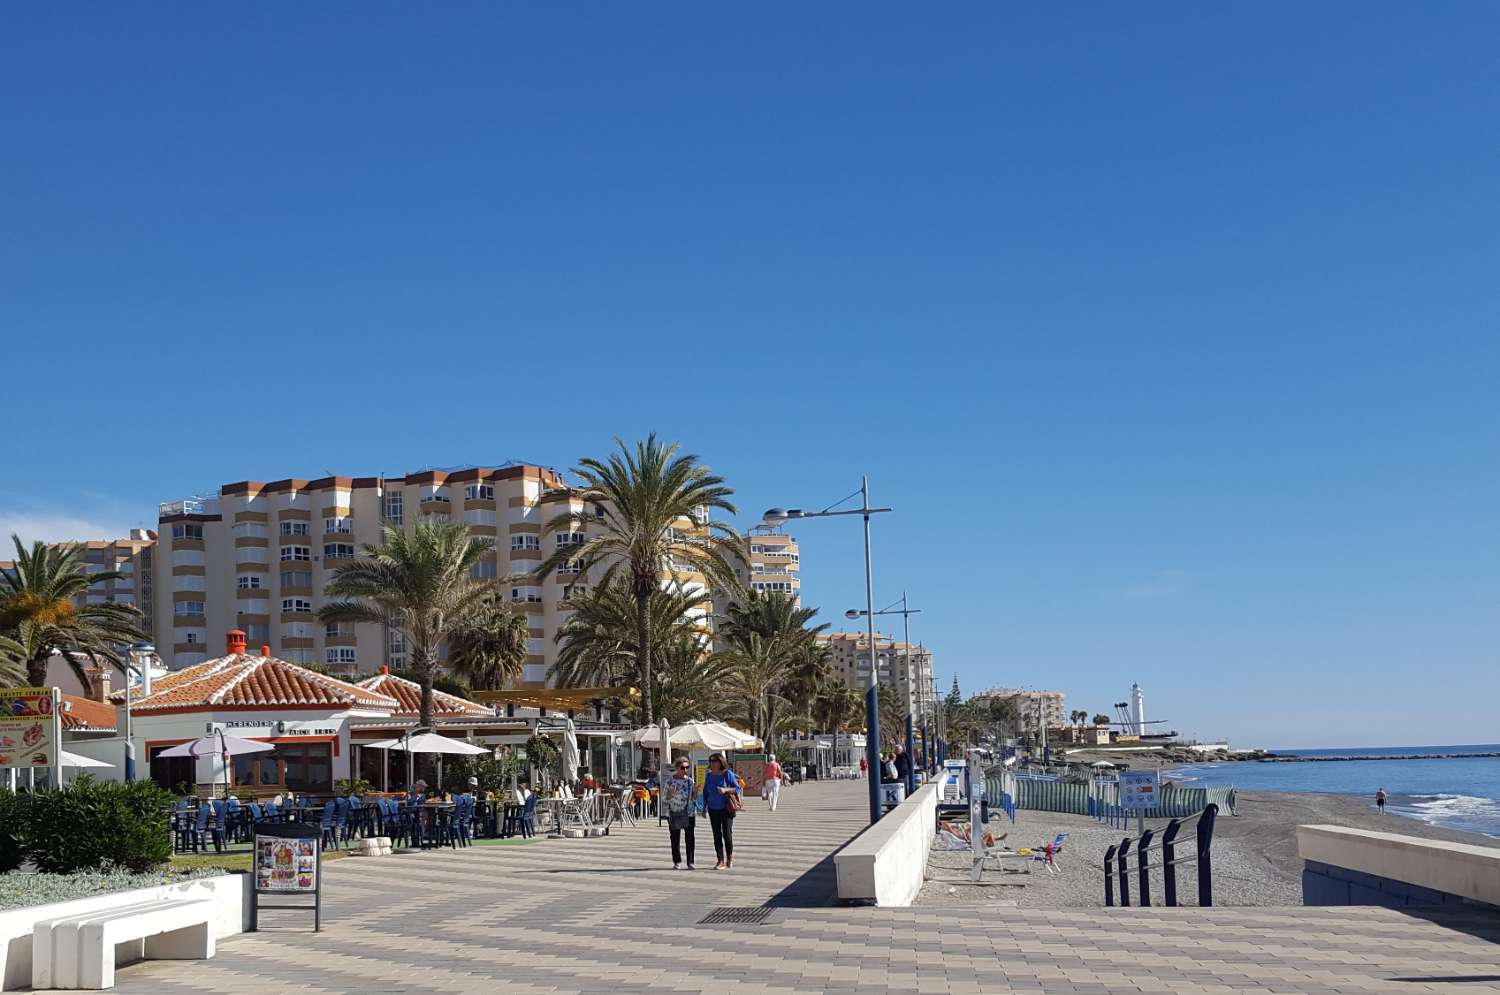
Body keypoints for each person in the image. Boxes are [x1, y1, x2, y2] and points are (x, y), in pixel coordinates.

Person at [703, 752, 742, 869]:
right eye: (710, 761)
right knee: (716, 834)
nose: (712, 763)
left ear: (721, 762)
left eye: (714, 761)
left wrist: (726, 790)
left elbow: (737, 788)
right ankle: (720, 859)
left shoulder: (727, 774)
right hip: (712, 808)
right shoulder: (709, 775)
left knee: (727, 834)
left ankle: (729, 856)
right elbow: (706, 791)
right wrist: (703, 807)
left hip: (726, 808)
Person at [663, 756, 697, 870]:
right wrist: (670, 795)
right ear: (677, 768)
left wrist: (695, 794)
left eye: (687, 767)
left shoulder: (690, 781)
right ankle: (676, 861)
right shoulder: (670, 781)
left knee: (690, 838)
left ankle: (690, 861)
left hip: (688, 813)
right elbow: (664, 799)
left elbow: (693, 799)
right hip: (674, 812)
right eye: (683, 767)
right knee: (674, 838)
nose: (685, 770)